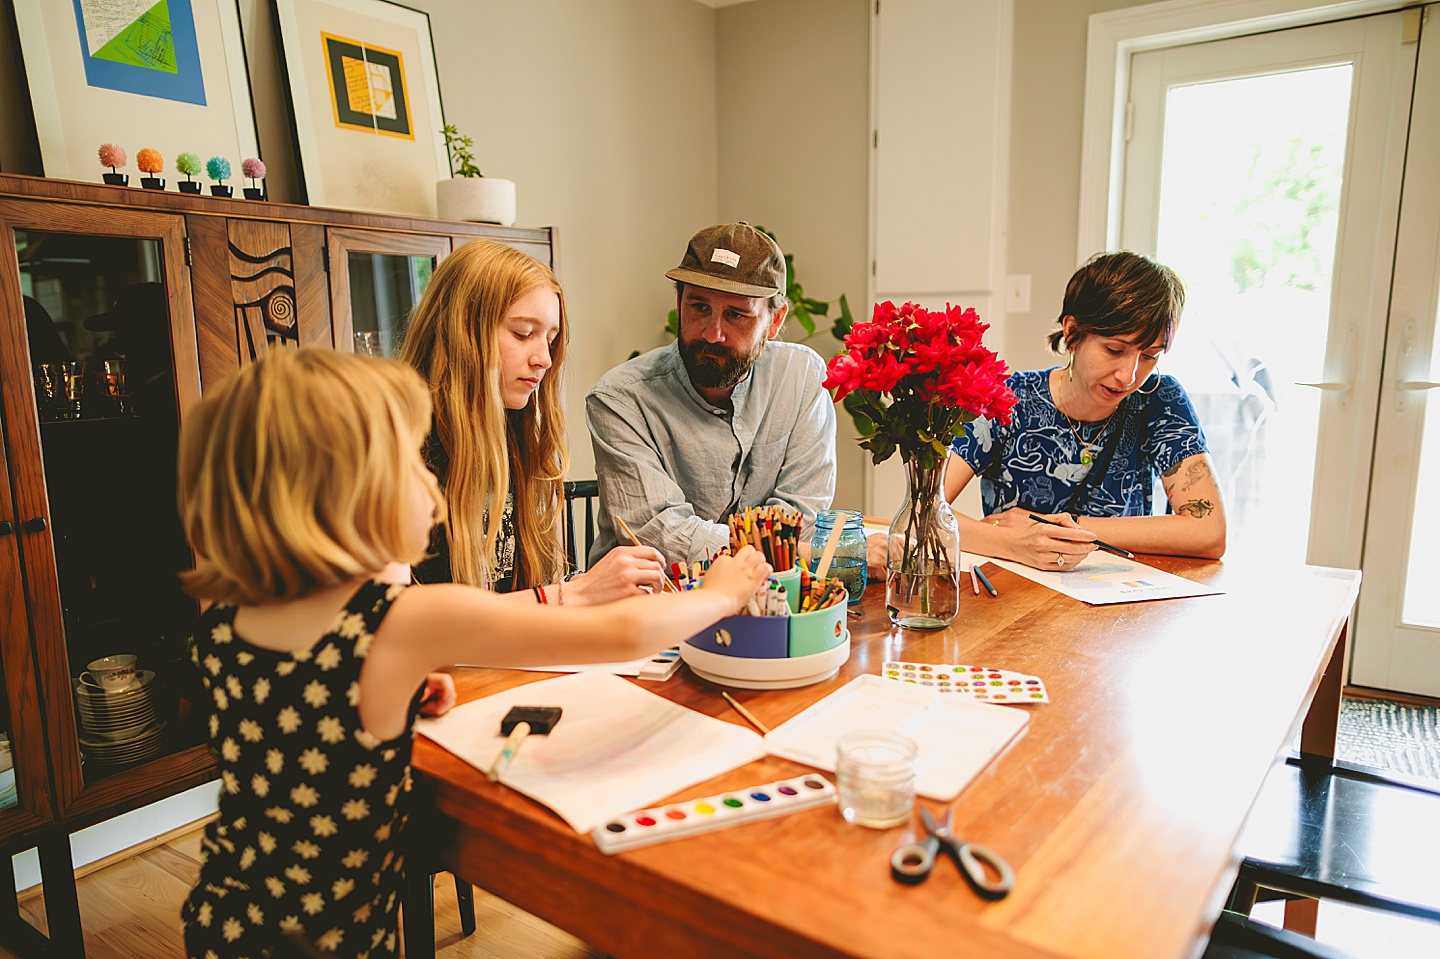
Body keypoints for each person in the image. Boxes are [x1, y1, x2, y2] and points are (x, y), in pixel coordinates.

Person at [177, 348, 768, 959]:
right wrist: (721, 593)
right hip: (329, 941)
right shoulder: (399, 620)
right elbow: (624, 634)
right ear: (346, 494)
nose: (431, 480)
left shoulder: (227, 617)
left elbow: (298, 718)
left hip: (226, 914)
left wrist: (396, 687)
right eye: (408, 462)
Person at [398, 240, 666, 600]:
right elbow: (406, 623)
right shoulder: (400, 450)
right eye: (523, 334)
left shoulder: (517, 436)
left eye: (551, 340)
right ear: (461, 329)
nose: (544, 358)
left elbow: (512, 604)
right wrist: (573, 594)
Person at [944, 251, 1227, 568]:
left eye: (1149, 356)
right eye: (1114, 350)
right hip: (1014, 591)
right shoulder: (1008, 396)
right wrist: (1013, 543)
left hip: (1118, 595)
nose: (1129, 376)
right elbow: (926, 508)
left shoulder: (1159, 398)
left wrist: (1062, 528)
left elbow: (1209, 531)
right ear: (1072, 331)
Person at [586, 222, 837, 565]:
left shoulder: (802, 377)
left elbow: (801, 519)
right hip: (649, 601)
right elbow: (660, 537)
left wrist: (777, 551)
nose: (713, 333)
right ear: (679, 300)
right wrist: (784, 551)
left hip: (769, 596)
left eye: (736, 315)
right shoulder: (621, 399)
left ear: (774, 321)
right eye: (699, 308)